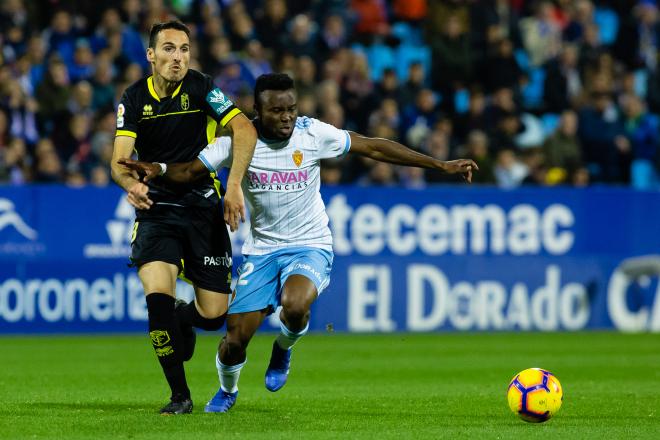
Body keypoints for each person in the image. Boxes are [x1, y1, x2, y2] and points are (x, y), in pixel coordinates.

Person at [118, 73, 477, 413]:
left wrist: (440, 165)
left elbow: (374, 148)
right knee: (234, 340)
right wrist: (159, 169)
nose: (287, 117)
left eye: (291, 108)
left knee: (295, 302)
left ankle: (283, 349)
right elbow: (189, 170)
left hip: (310, 244)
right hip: (262, 251)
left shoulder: (313, 134)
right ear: (257, 112)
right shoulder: (236, 144)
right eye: (276, 110)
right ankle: (228, 390)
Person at [110, 20, 257, 414]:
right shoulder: (133, 96)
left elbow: (243, 129)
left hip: (202, 207)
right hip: (156, 210)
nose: (178, 57)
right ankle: (180, 395)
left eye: (184, 49)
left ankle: (184, 318)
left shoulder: (201, 86)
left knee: (215, 315)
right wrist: (130, 183)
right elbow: (118, 159)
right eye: (170, 49)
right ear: (151, 55)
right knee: (157, 301)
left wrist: (235, 185)